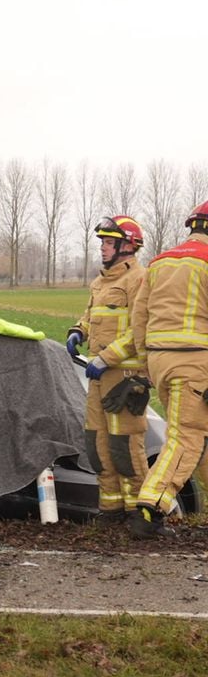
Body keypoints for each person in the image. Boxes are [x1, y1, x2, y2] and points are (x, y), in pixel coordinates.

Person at [128, 201, 208, 538]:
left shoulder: (160, 263)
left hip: (161, 361)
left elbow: (138, 317)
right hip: (196, 361)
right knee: (186, 438)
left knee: (200, 439)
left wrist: (147, 362)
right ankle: (150, 508)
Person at [65, 215, 150, 525]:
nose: (102, 247)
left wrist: (107, 358)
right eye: (102, 241)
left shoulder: (140, 279)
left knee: (125, 446)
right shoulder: (100, 282)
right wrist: (79, 331)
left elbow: (140, 329)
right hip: (98, 377)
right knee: (97, 443)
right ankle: (111, 511)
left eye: (109, 242)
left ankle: (140, 513)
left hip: (124, 379)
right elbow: (91, 317)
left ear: (128, 246)